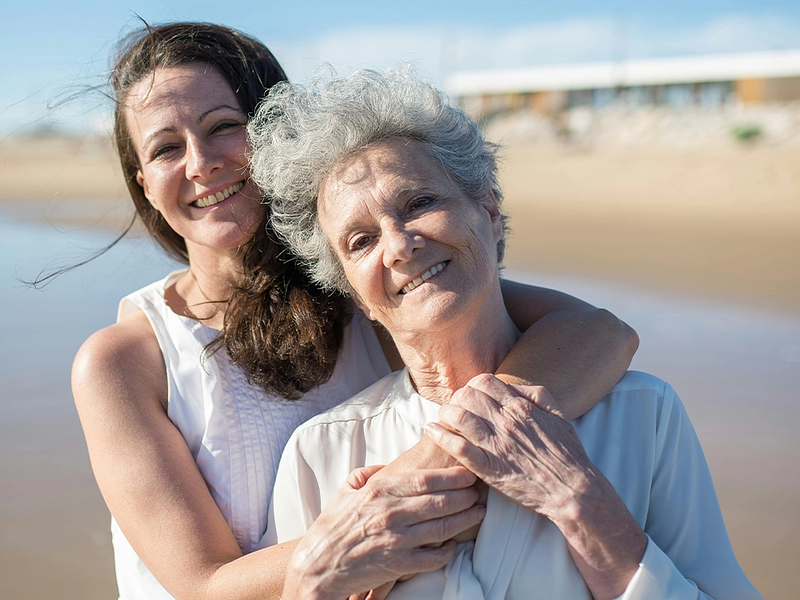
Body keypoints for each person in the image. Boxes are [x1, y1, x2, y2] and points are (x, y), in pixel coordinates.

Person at [72, 22, 638, 600]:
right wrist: (360, 528)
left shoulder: (372, 289)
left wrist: (421, 472)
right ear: (144, 184)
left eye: (223, 126)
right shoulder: (125, 361)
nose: (200, 163)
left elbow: (597, 334)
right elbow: (201, 585)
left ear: (276, 134)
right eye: (165, 149)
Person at [250, 68, 763, 599]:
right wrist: (310, 585)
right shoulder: (321, 452)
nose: (399, 246)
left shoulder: (642, 413)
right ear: (357, 296)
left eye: (419, 203)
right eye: (360, 241)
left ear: (490, 212)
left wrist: (578, 498)